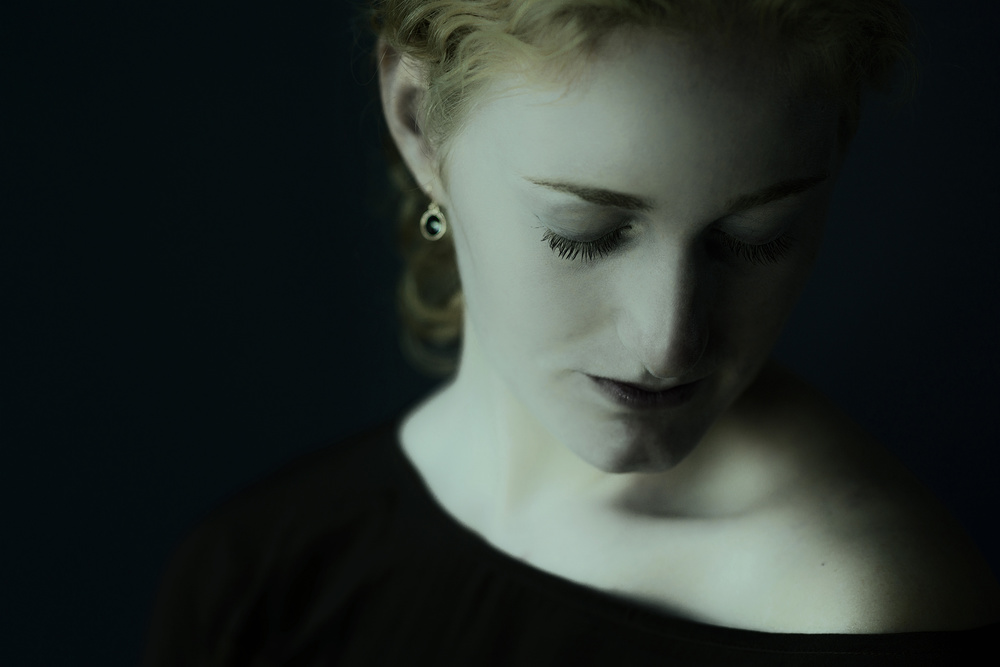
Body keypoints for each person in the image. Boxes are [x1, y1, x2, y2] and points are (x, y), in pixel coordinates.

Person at [141, 1, 1000, 664]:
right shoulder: (260, 573)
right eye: (584, 231)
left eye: (756, 236)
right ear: (418, 123)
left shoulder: (863, 611)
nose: (669, 341)